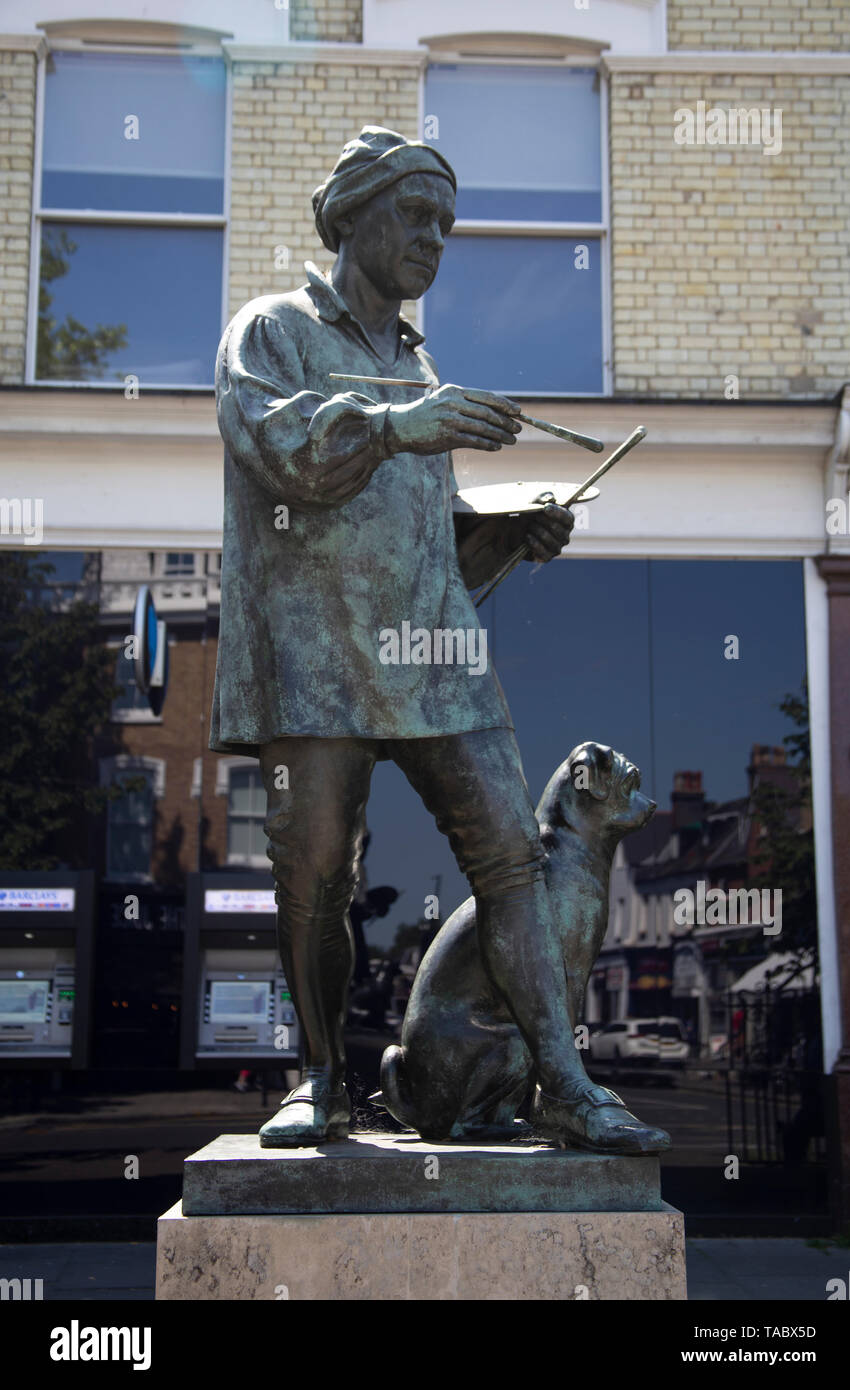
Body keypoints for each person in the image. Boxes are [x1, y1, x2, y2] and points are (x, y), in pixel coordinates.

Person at [210, 126, 667, 1151]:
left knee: (513, 857)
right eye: (415, 216)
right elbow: (282, 449)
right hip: (318, 656)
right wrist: (401, 425)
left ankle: (563, 1081)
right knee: (317, 871)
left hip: (433, 653)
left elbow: (420, 549)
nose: (433, 241)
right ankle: (320, 1078)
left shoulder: (418, 366)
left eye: (446, 226)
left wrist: (509, 532)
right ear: (352, 215)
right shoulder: (273, 329)